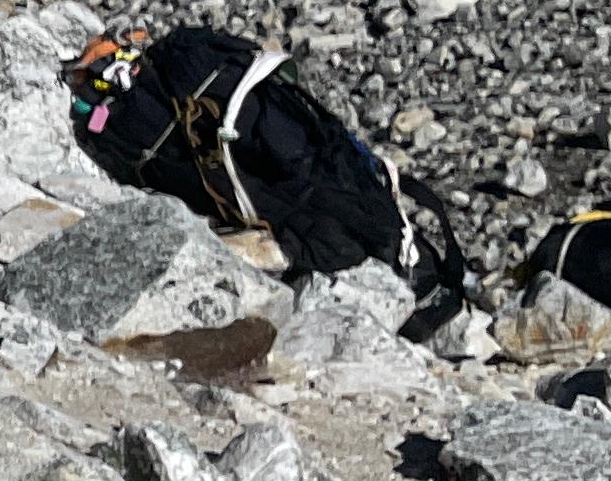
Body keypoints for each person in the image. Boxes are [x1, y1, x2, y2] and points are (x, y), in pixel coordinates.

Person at [69, 25, 470, 334]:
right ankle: (414, 269)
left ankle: (403, 264)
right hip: (321, 185)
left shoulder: (136, 108)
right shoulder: (191, 55)